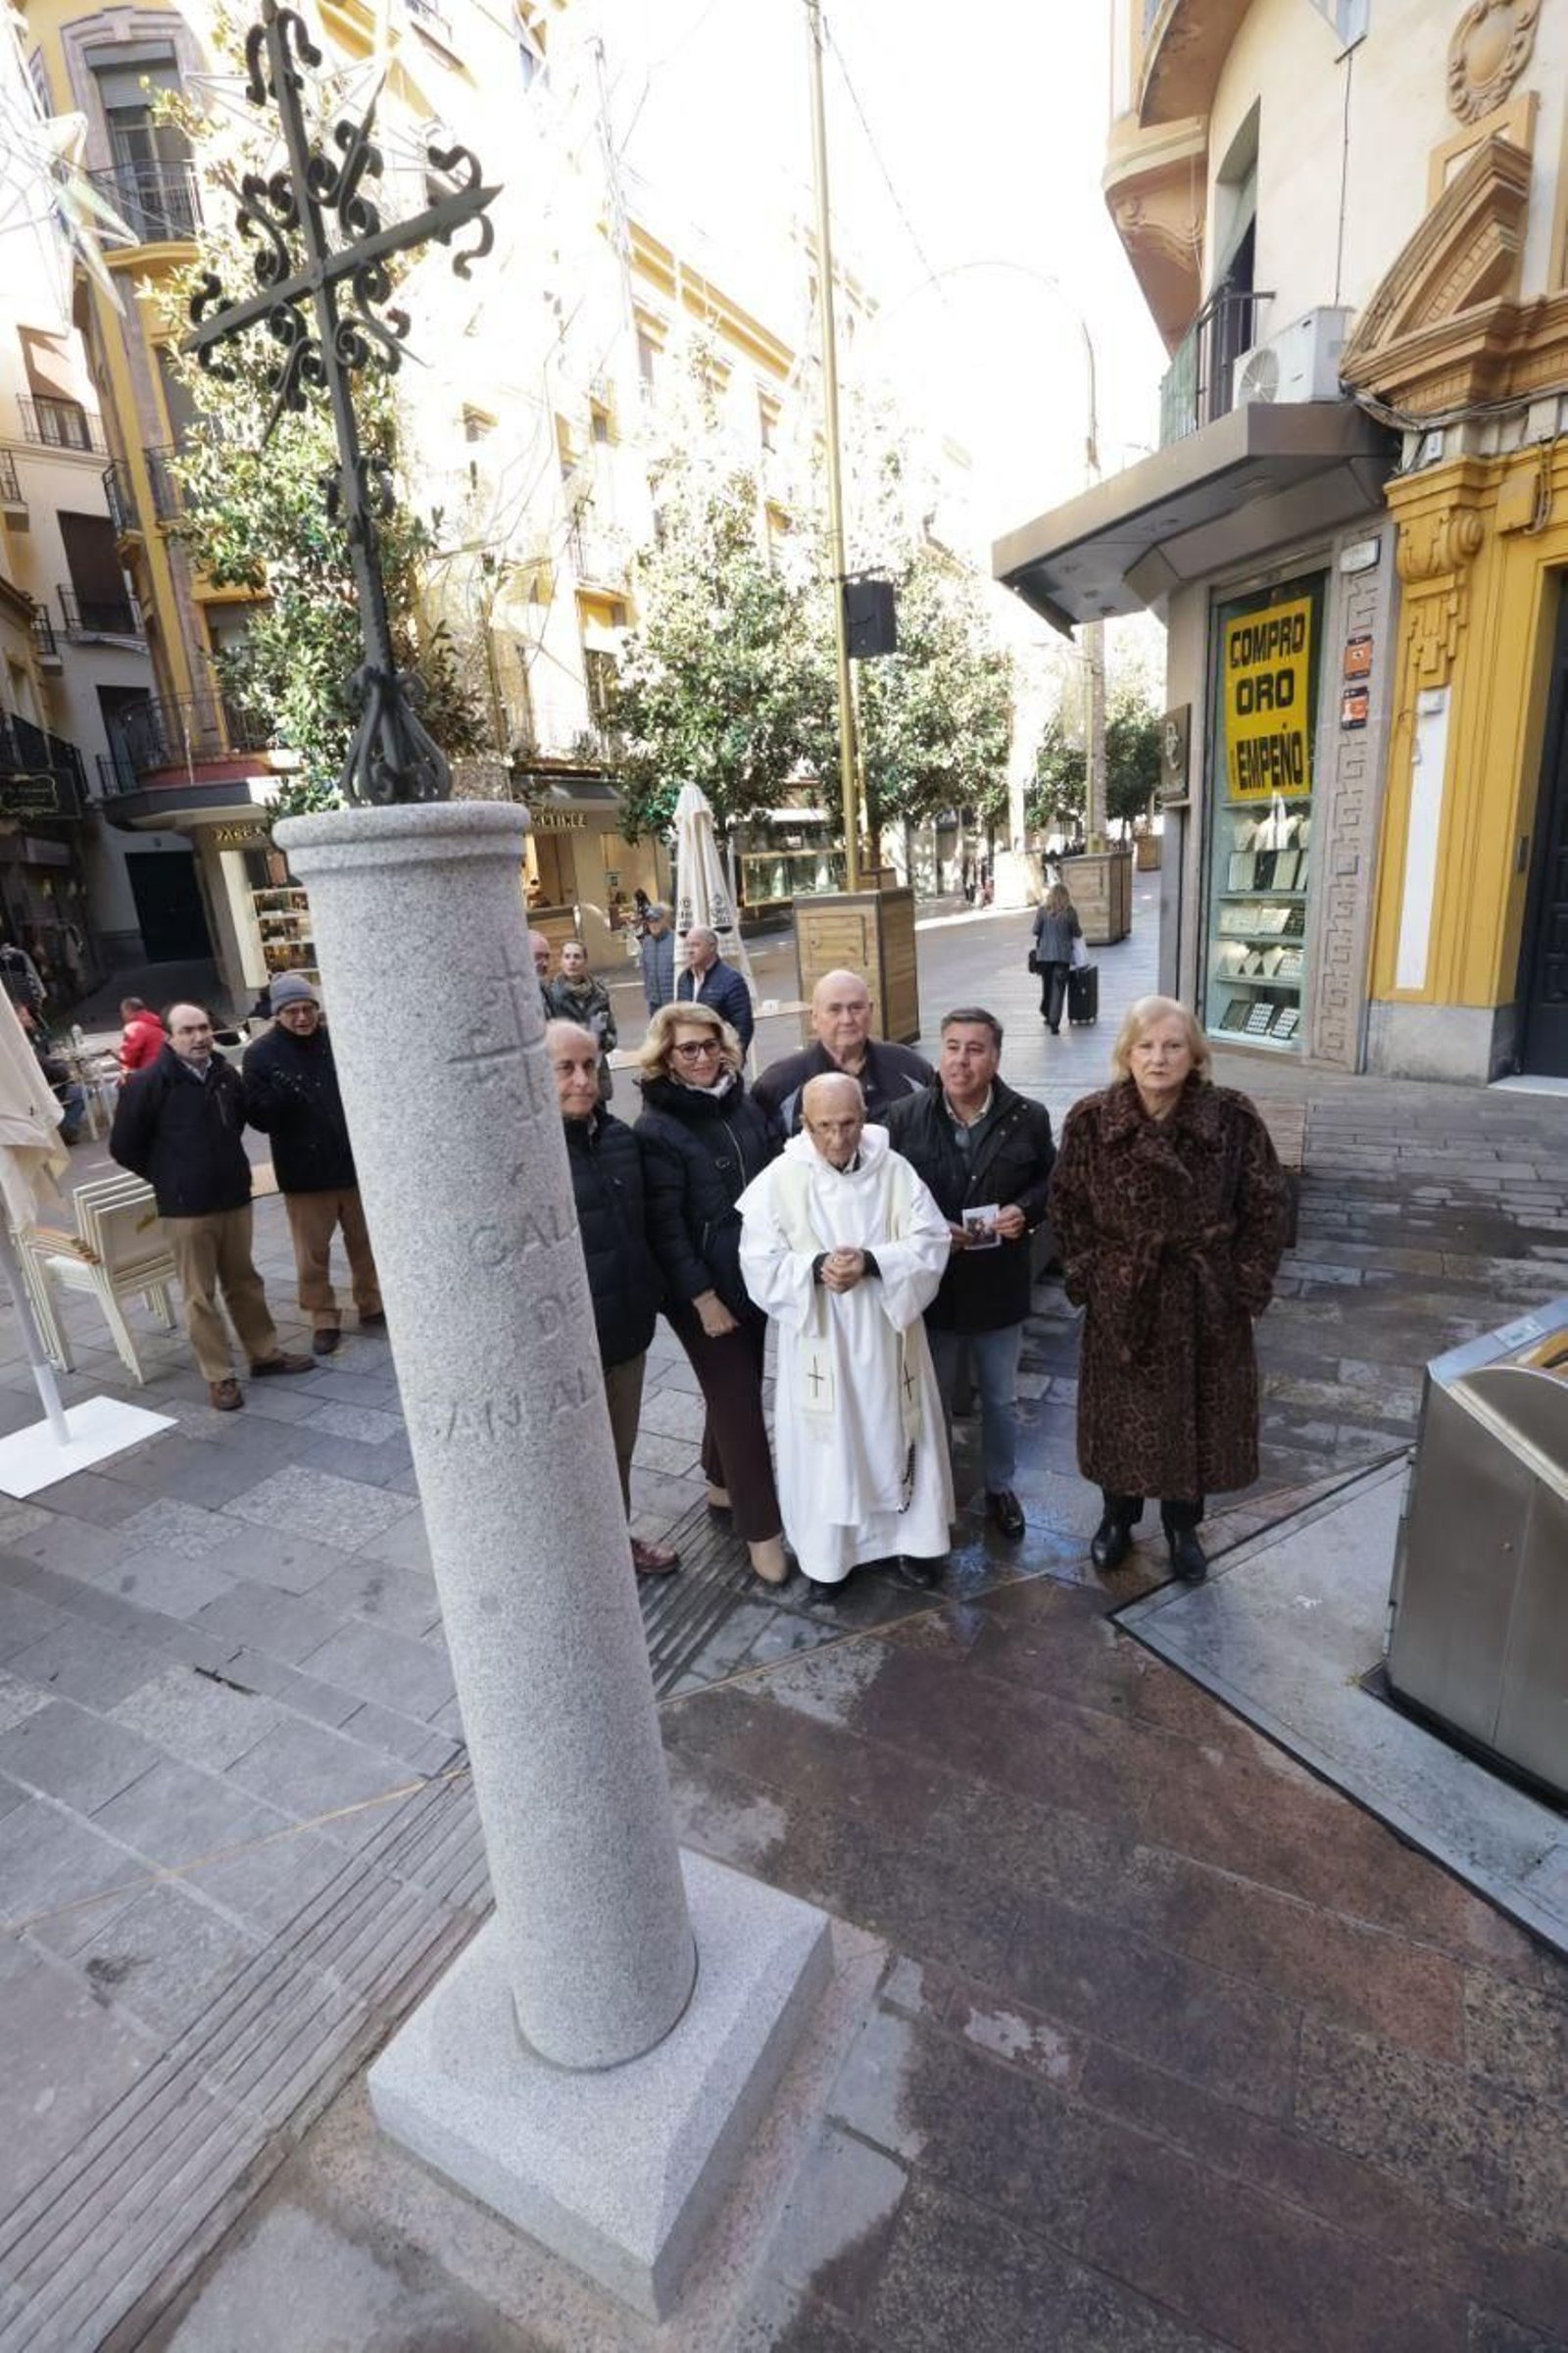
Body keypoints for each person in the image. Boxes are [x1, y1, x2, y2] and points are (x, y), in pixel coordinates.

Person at [1049, 995, 1290, 1583]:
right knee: (1120, 1419)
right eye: (1146, 1046)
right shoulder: (1091, 1121)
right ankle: (1116, 1518)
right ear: (1126, 1053)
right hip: (1125, 1297)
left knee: (1197, 1417)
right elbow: (1067, 1207)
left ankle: (1184, 1526)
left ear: (1196, 1054)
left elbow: (1268, 1206)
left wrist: (1246, 1285)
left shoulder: (1231, 1120)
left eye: (1173, 1045)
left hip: (1204, 1298)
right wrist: (1092, 1278)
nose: (1159, 1058)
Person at [738, 1072, 953, 1595]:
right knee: (828, 1445)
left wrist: (875, 1262)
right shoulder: (780, 1179)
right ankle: (832, 1556)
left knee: (895, 1430)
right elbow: (757, 1261)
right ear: (804, 1125)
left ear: (866, 1117)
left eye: (850, 1123)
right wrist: (814, 1269)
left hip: (886, 1336)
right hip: (821, 1342)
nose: (838, 1139)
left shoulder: (895, 1171)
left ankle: (913, 1542)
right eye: (825, 1127)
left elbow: (932, 1241)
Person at [885, 1007, 1055, 1542]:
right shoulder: (904, 1116)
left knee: (1000, 1400)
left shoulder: (1027, 1116)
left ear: (996, 1057)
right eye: (953, 1046)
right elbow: (884, 1197)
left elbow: (1051, 1183)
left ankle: (1000, 1487)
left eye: (975, 1048)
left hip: (998, 1289)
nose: (961, 1060)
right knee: (926, 1401)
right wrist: (928, 1228)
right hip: (931, 1291)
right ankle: (930, 1493)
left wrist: (1025, 1211)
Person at [636, 1002, 787, 1585]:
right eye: (687, 1049)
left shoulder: (742, 1103)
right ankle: (763, 1533)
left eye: (709, 1044)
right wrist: (702, 1298)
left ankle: (721, 1483)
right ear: (666, 1059)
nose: (702, 1057)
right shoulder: (657, 1128)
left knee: (739, 1382)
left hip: (754, 1273)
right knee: (740, 1404)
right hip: (702, 1290)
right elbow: (666, 1229)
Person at [110, 1002, 313, 1410]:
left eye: (203, 1028)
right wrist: (171, 1176)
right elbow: (124, 1147)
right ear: (168, 1037)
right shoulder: (148, 1083)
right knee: (199, 1295)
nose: (199, 1037)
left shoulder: (224, 1075)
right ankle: (219, 1376)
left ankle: (265, 1354)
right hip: (186, 1208)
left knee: (245, 1281)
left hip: (234, 1197)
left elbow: (236, 1123)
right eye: (187, 1031)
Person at [548, 1020, 679, 1578]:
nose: (583, 1080)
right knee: (567, 1465)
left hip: (625, 1335)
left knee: (617, 1452)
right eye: (565, 1068)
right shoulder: (526, 1158)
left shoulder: (622, 1139)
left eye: (590, 1066)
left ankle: (614, 1541)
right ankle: (572, 1561)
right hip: (563, 1350)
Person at [242, 972, 384, 1357]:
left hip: (353, 1164)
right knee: (312, 1253)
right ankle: (323, 1317)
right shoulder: (260, 1054)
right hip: (304, 1172)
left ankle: (371, 1303)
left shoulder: (337, 1040)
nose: (302, 1018)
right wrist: (281, 1096)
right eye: (292, 1011)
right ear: (277, 1014)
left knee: (366, 1243)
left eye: (308, 1009)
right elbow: (257, 1116)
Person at [751, 969, 933, 1135]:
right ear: (814, 1018)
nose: (847, 1019)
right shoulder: (779, 1085)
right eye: (834, 1010)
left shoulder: (910, 1068)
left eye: (856, 1008)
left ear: (870, 1011)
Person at [547, 939, 617, 1103]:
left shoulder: (599, 995)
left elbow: (611, 1033)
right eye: (567, 956)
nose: (572, 961)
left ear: (585, 961)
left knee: (601, 1124)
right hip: (567, 1075)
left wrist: (599, 1043)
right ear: (561, 962)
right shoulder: (551, 996)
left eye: (577, 957)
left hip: (596, 1071)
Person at [675, 925, 754, 1053]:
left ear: (712, 947)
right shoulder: (684, 978)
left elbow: (743, 1026)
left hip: (719, 1055)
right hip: (691, 1056)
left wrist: (733, 1058)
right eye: (687, 946)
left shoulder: (731, 979)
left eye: (695, 945)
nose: (689, 950)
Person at [17, 1004, 85, 1146]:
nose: (29, 1017)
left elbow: (45, 1051)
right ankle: (65, 1129)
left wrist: (35, 1030)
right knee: (83, 1091)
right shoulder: (22, 1042)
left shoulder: (28, 1035)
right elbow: (45, 1065)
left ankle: (64, 1127)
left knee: (72, 1086)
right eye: (24, 1015)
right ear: (15, 1018)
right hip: (44, 1090)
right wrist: (66, 1073)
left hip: (42, 1086)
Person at [1030, 882, 1081, 1035]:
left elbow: (1035, 930)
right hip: (1062, 958)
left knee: (1047, 987)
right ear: (1066, 896)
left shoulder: (1042, 911)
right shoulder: (1070, 912)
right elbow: (1077, 933)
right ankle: (1054, 1022)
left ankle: (1046, 1012)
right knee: (1058, 990)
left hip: (1044, 957)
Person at [639, 903, 674, 1015]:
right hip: (654, 1002)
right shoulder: (646, 942)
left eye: (656, 920)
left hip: (674, 1001)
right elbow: (645, 970)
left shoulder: (677, 940)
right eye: (650, 920)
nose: (653, 924)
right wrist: (649, 994)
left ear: (666, 920)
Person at [118, 997, 167, 1073]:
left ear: (128, 1011)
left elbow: (128, 1057)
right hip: (165, 1070)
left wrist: (120, 1058)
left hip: (150, 1074)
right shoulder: (158, 1022)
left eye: (123, 1012)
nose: (122, 1016)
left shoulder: (135, 1027)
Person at [0, 936, 43, 1016]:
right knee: (34, 1021)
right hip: (27, 998)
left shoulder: (19, 955)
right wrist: (39, 996)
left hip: (11, 1002)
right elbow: (32, 976)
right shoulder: (20, 955)